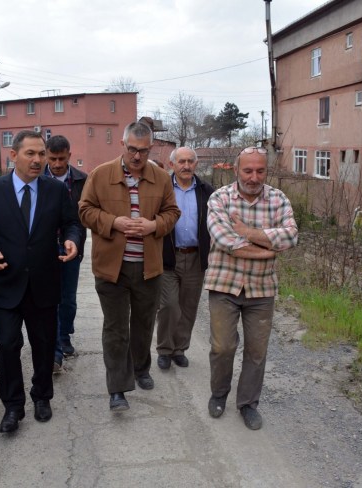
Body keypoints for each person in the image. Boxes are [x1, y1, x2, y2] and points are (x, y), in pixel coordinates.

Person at [0, 130, 83, 433]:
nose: (37, 160)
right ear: (13, 155)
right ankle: (13, 406)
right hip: (5, 282)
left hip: (44, 283)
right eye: (30, 153)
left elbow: (72, 223)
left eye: (41, 154)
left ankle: (42, 396)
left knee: (43, 345)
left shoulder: (55, 190)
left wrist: (72, 240)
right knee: (7, 346)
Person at [79, 121, 180, 411]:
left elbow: (172, 212)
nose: (137, 156)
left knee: (143, 324)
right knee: (116, 328)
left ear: (151, 148)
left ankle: (140, 368)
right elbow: (84, 211)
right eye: (133, 149)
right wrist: (114, 222)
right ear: (122, 144)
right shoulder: (100, 175)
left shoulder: (161, 178)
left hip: (149, 267)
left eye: (144, 151)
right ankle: (117, 388)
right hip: (112, 268)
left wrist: (153, 226)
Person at [205, 146, 298, 430]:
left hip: (262, 288)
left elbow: (290, 236)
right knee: (222, 347)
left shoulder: (278, 199)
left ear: (266, 171)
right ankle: (219, 393)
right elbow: (225, 240)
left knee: (257, 351)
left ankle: (248, 404)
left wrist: (247, 232)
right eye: (247, 170)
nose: (254, 177)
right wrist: (267, 249)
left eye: (260, 171)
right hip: (224, 285)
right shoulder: (219, 198)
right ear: (236, 170)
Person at [156, 147, 214, 370]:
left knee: (188, 307)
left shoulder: (206, 190)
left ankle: (179, 349)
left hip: (195, 257)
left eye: (190, 161)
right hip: (169, 256)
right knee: (169, 305)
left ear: (196, 164)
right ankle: (164, 349)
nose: (186, 166)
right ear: (172, 164)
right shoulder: (163, 189)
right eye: (182, 161)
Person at [43, 135, 87, 372]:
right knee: (50, 297)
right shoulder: (37, 178)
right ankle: (56, 344)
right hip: (44, 247)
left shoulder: (82, 180)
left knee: (68, 298)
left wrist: (76, 241)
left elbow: (84, 216)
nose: (57, 164)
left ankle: (65, 333)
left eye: (62, 159)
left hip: (72, 245)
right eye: (53, 159)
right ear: (46, 156)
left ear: (69, 155)